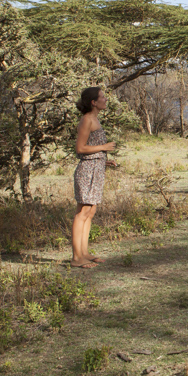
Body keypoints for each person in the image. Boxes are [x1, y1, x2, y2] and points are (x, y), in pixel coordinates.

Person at [71, 86, 117, 268]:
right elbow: (80, 148)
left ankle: (84, 252)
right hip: (87, 171)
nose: (105, 100)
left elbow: (90, 149)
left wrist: (104, 160)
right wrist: (103, 148)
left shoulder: (95, 120)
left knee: (90, 212)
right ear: (93, 102)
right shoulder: (87, 120)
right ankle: (76, 258)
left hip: (96, 169)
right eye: (102, 97)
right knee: (82, 213)